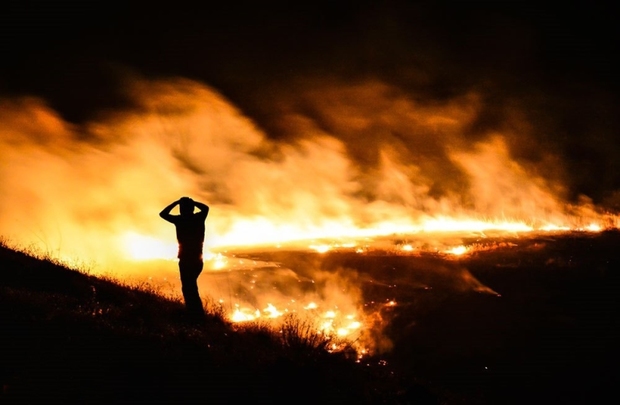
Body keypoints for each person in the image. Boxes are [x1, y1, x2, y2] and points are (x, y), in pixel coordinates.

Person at [159, 197, 209, 320]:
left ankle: (195, 315)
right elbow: (205, 208)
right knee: (191, 287)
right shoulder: (198, 218)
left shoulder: (180, 220)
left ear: (181, 209)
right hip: (197, 259)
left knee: (188, 287)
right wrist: (192, 203)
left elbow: (163, 214)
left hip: (186, 260)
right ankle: (195, 314)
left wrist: (176, 203)